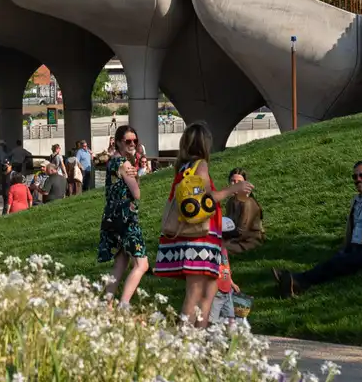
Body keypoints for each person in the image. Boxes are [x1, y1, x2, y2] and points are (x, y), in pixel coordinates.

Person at [155, 122, 254, 326]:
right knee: (197, 291)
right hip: (201, 237)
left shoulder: (183, 167)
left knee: (209, 289)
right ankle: (185, 339)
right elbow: (207, 199)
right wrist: (234, 189)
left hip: (195, 235)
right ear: (203, 144)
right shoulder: (200, 165)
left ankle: (199, 339)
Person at [273, 161, 362, 297]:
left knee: (337, 264)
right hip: (354, 247)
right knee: (333, 262)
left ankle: (297, 282)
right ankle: (295, 281)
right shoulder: (355, 200)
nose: (358, 179)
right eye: (354, 176)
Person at [98, 124, 148, 308]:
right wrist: (135, 177)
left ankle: (106, 304)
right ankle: (123, 305)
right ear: (119, 142)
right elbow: (136, 194)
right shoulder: (124, 164)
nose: (132, 144)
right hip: (126, 218)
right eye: (128, 141)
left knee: (121, 261)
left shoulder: (112, 161)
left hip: (111, 217)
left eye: (135, 140)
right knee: (142, 264)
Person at [222, 169, 266, 255]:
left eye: (239, 182)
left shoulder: (248, 203)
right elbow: (228, 225)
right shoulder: (231, 201)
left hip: (248, 241)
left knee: (217, 248)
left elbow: (242, 232)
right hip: (233, 238)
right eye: (233, 181)